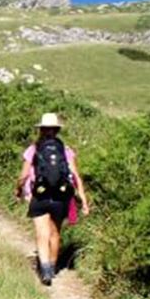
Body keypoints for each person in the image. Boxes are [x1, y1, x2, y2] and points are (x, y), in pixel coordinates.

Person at [16, 113, 90, 286]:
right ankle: (52, 267)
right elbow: (76, 176)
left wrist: (18, 189)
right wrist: (84, 202)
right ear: (57, 130)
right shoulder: (66, 150)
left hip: (40, 196)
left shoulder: (33, 149)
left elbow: (24, 176)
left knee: (42, 234)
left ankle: (45, 271)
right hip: (60, 197)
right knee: (55, 233)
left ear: (41, 130)